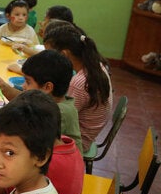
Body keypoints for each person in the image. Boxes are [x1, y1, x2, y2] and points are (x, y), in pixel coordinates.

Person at [0, 50, 83, 153]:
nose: (23, 86)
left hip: (58, 165)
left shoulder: (59, 112)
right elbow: (24, 99)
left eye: (28, 82)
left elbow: (23, 137)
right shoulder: (47, 101)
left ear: (47, 87)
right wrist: (4, 88)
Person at [43, 22, 112, 151]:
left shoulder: (80, 83)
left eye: (50, 53)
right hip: (85, 133)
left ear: (64, 55)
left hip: (77, 142)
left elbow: (59, 117)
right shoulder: (95, 64)